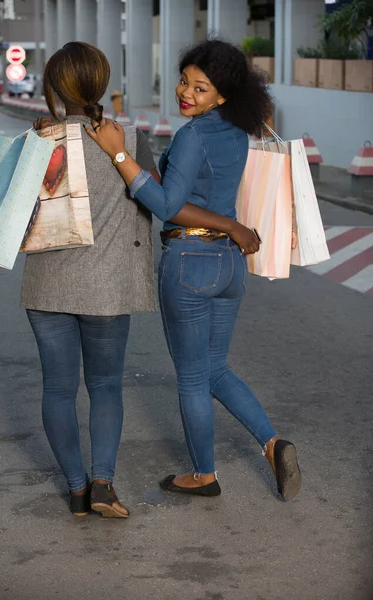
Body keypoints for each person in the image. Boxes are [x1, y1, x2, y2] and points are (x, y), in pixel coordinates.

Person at [24, 41, 264, 518]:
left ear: (53, 87)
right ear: (103, 84)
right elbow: (156, 202)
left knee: (56, 390)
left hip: (46, 285)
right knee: (106, 386)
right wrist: (230, 225)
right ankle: (103, 486)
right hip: (108, 287)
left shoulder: (37, 142)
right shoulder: (128, 139)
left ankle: (74, 490)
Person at [85, 39, 301, 502]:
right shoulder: (233, 132)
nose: (186, 93)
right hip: (228, 265)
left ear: (222, 95)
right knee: (215, 368)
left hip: (190, 265)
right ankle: (272, 442)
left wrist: (119, 156)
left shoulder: (193, 136)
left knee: (191, 378)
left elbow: (167, 206)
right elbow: (188, 193)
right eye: (184, 81)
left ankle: (204, 474)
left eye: (200, 88)